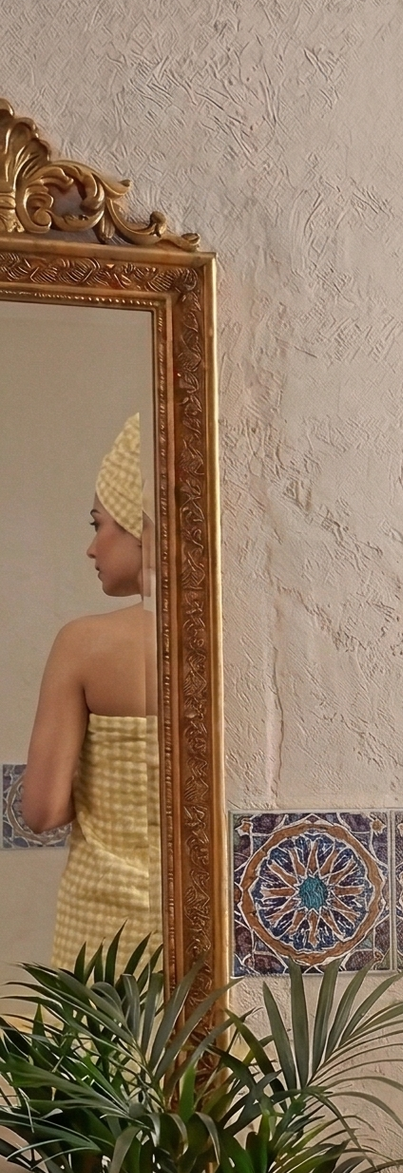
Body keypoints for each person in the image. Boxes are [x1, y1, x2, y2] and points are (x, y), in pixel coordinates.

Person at [21, 413, 162, 967]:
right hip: (203, 921)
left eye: (97, 523)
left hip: (101, 937)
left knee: (96, 1057)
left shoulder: (83, 644)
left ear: (139, 526)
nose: (91, 547)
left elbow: (42, 811)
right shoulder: (227, 645)